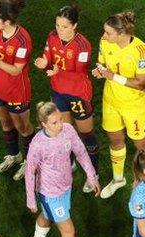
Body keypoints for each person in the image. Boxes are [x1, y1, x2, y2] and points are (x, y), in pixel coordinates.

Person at [24, 101, 105, 237]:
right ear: (43, 124)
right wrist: (31, 199)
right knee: (68, 230)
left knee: (48, 216)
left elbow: (81, 152)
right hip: (49, 192)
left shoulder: (68, 130)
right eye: (54, 122)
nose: (60, 124)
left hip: (66, 186)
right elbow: (30, 172)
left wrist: (92, 176)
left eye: (60, 119)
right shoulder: (38, 144)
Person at [33, 5, 101, 182]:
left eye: (64, 27)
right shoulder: (52, 36)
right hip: (58, 91)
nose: (59, 30)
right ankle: (69, 162)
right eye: (57, 25)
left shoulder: (83, 45)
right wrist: (44, 62)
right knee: (63, 129)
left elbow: (80, 71)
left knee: (86, 133)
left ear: (74, 26)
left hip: (78, 93)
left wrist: (56, 72)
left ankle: (93, 171)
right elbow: (48, 55)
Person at [92, 10, 145, 199]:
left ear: (121, 34)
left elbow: (142, 82)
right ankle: (118, 179)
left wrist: (112, 76)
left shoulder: (140, 50)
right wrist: (100, 70)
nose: (103, 36)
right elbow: (101, 63)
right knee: (115, 141)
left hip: (134, 107)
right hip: (111, 102)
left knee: (142, 146)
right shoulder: (105, 42)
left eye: (108, 32)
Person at [0, 0, 34, 180]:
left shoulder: (22, 40)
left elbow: (16, 70)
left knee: (23, 127)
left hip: (16, 91)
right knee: (5, 123)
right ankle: (14, 155)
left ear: (7, 22)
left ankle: (30, 161)